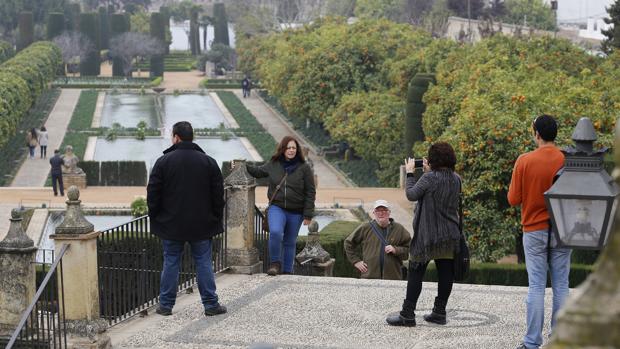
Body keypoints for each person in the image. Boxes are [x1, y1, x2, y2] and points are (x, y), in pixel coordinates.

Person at [147, 121, 227, 317]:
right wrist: (215, 216)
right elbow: (218, 196)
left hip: (171, 223)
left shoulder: (163, 162)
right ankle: (210, 305)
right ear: (192, 137)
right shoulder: (208, 162)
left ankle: (165, 306)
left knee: (171, 262)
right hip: (202, 222)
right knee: (203, 262)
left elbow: (153, 194)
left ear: (176, 137)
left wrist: (156, 216)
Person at [508, 115, 571, 349]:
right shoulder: (567, 159)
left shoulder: (524, 161)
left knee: (536, 286)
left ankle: (532, 342)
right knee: (561, 286)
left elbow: (513, 199)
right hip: (563, 229)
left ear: (537, 134)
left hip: (534, 229)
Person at [387, 142, 461, 327]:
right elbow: (438, 192)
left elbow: (412, 194)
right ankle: (439, 312)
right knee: (445, 273)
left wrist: (410, 172)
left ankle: (407, 314)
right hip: (449, 234)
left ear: (432, 159)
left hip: (427, 235)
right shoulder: (456, 179)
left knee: (415, 272)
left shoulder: (429, 179)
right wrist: (429, 172)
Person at [244, 135, 316, 276]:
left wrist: (308, 214)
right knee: (276, 232)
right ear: (282, 149)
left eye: (294, 148)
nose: (291, 150)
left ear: (297, 150)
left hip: (296, 212)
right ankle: (275, 263)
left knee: (290, 242)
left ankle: (287, 272)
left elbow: (310, 191)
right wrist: (242, 165)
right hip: (277, 208)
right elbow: (258, 172)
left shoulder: (304, 168)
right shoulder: (274, 164)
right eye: (288, 147)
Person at [344, 199, 411, 280]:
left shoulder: (399, 229)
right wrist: (356, 261)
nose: (381, 213)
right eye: (378, 210)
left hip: (393, 277)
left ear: (389, 212)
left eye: (384, 210)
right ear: (373, 213)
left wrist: (395, 250)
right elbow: (348, 243)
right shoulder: (365, 227)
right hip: (369, 277)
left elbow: (409, 249)